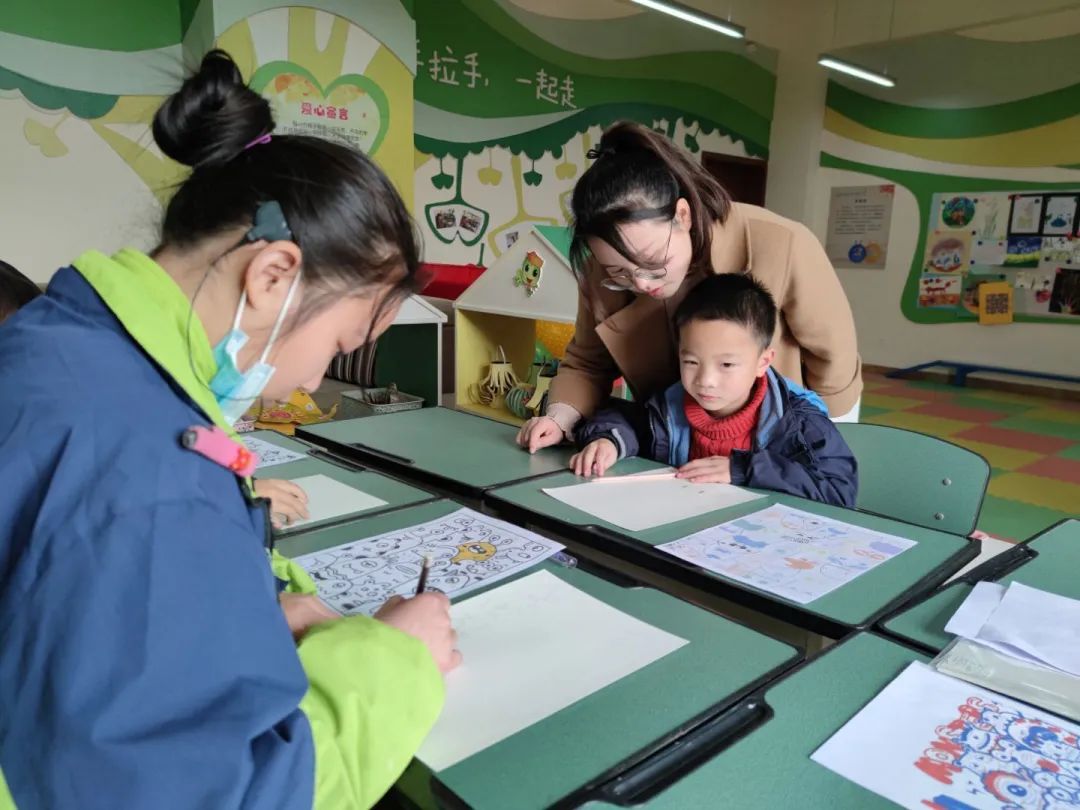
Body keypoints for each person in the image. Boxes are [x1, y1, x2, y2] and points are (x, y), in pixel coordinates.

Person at [0, 51, 458, 809]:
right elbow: (222, 793)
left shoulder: (59, 342)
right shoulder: (149, 468)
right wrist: (395, 658)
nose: (313, 381)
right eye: (340, 347)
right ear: (272, 275)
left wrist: (258, 600)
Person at [517, 121, 862, 454]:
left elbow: (835, 360)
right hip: (672, 443)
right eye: (619, 272)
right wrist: (558, 418)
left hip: (773, 444)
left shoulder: (781, 242)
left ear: (682, 215)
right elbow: (588, 362)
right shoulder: (599, 268)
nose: (639, 282)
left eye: (652, 260)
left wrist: (820, 445)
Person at [571, 273, 857, 508]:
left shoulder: (799, 423)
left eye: (727, 364)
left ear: (763, 362)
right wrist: (610, 441)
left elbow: (838, 490)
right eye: (691, 361)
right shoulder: (666, 408)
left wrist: (743, 469)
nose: (706, 380)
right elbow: (627, 420)